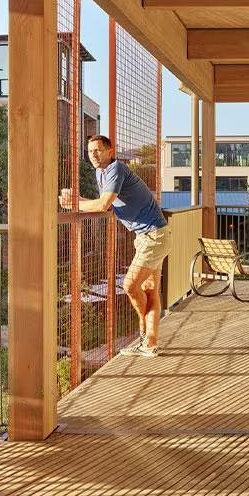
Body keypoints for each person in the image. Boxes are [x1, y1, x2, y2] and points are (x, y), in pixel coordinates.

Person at [59, 135, 170, 357]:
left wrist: (76, 203)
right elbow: (106, 206)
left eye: (98, 150)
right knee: (150, 291)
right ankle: (149, 343)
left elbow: (103, 204)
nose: (94, 155)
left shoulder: (116, 168)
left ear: (111, 151)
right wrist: (78, 200)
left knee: (130, 286)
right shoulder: (101, 173)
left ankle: (143, 331)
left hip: (153, 236)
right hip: (147, 236)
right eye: (90, 151)